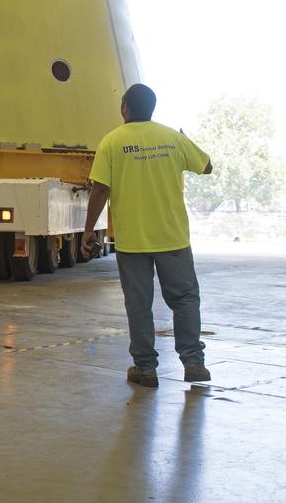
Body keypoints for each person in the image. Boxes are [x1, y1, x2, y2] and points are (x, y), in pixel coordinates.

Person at [82, 83, 213, 388]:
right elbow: (207, 166)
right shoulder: (172, 138)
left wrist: (89, 230)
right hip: (173, 238)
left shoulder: (112, 142)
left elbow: (100, 188)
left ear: (124, 109)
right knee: (184, 299)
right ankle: (193, 362)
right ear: (152, 108)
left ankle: (145, 368)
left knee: (139, 303)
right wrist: (184, 140)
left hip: (133, 241)